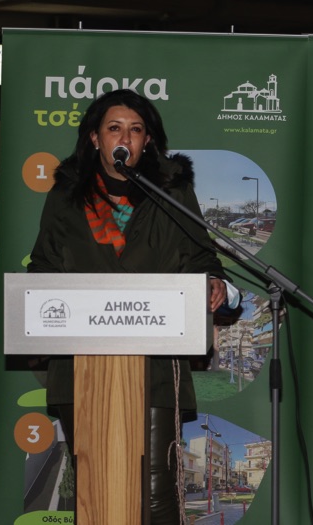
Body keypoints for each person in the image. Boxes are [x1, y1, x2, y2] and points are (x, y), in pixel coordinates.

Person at [28, 89, 239, 523]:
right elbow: (43, 267)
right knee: (97, 489)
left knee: (156, 491)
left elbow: (201, 257)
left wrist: (213, 281)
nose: (125, 138)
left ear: (148, 141)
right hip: (80, 368)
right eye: (114, 128)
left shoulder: (172, 191)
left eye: (136, 129)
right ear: (95, 138)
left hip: (156, 367)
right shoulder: (66, 195)